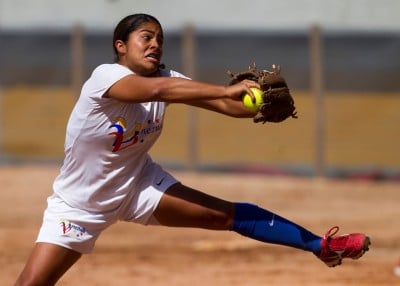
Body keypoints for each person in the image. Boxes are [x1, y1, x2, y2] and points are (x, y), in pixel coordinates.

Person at [14, 13, 370, 285]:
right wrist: (223, 90)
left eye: (160, 39)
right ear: (120, 46)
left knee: (223, 215)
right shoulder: (105, 77)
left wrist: (251, 105)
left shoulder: (169, 78)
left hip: (138, 185)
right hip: (79, 205)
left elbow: (227, 106)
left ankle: (320, 246)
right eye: (146, 37)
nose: (155, 44)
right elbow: (157, 93)